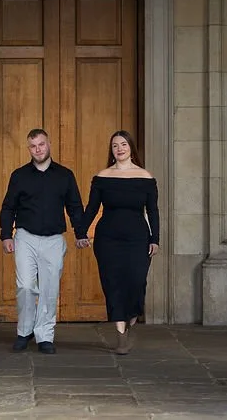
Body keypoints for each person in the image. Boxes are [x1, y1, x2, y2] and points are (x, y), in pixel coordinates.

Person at [0, 128, 88, 354]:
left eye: (41, 144)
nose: (38, 149)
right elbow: (8, 207)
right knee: (25, 286)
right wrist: (6, 235)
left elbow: (75, 207)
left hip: (54, 240)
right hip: (25, 237)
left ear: (49, 145)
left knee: (49, 289)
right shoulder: (19, 176)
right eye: (33, 146)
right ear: (28, 149)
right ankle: (24, 331)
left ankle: (45, 335)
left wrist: (80, 233)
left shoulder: (64, 175)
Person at [78, 130, 160, 355]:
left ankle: (130, 320)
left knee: (136, 282)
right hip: (108, 240)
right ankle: (121, 334)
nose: (119, 149)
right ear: (111, 150)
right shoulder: (102, 177)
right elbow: (92, 208)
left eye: (123, 144)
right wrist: (80, 232)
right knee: (113, 284)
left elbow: (153, 211)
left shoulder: (145, 177)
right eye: (115, 145)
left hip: (138, 239)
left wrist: (155, 239)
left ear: (131, 147)